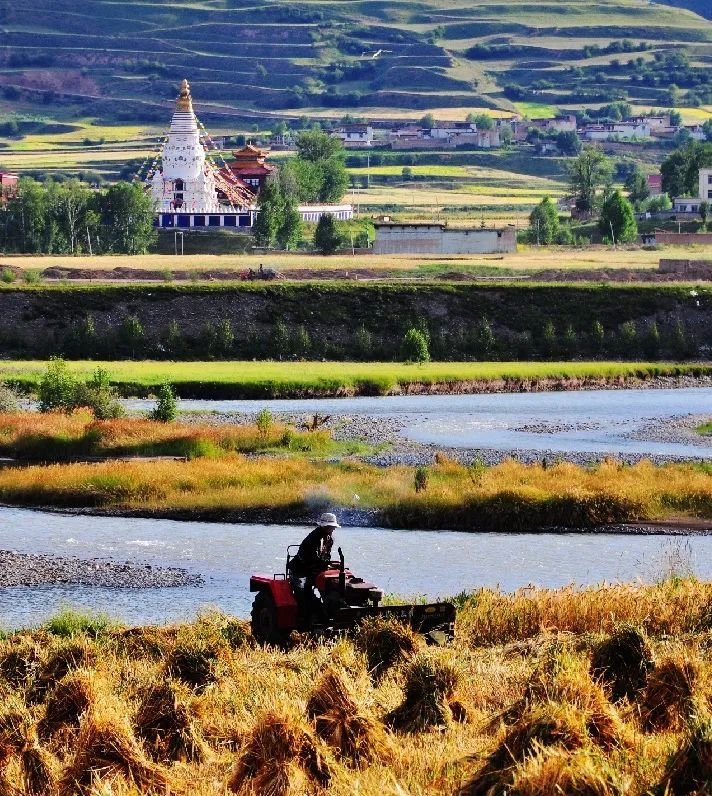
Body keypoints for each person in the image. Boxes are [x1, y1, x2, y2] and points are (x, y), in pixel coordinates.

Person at [289, 512, 340, 619]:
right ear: (325, 526)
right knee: (303, 595)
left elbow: (326, 557)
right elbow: (313, 558)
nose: (333, 529)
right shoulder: (313, 538)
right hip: (300, 570)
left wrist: (329, 564)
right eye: (331, 527)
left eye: (333, 527)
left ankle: (328, 610)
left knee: (331, 585)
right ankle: (304, 619)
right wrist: (326, 564)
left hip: (314, 569)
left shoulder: (329, 539)